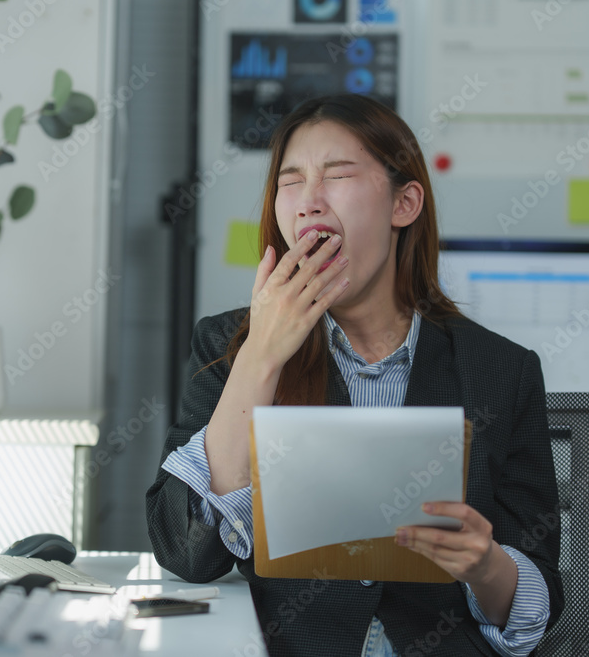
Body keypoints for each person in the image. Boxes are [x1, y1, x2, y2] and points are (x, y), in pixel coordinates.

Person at [145, 95, 563, 657]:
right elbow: (184, 551)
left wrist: (487, 567)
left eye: (338, 175)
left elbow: (537, 601)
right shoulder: (229, 348)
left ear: (404, 203)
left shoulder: (502, 371)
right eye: (290, 182)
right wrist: (261, 359)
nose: (309, 202)